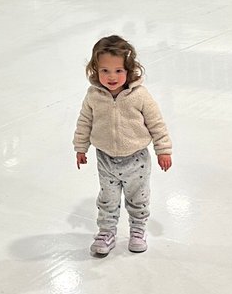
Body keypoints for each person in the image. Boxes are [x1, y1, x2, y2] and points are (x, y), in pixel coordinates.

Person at [73, 35, 172, 257]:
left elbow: (156, 123)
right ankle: (106, 232)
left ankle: (138, 230)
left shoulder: (140, 96)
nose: (111, 76)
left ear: (129, 70)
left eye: (118, 70)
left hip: (136, 158)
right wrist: (81, 147)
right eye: (105, 70)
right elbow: (84, 121)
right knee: (107, 198)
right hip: (105, 158)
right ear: (95, 70)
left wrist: (163, 150)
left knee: (138, 197)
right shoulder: (93, 96)